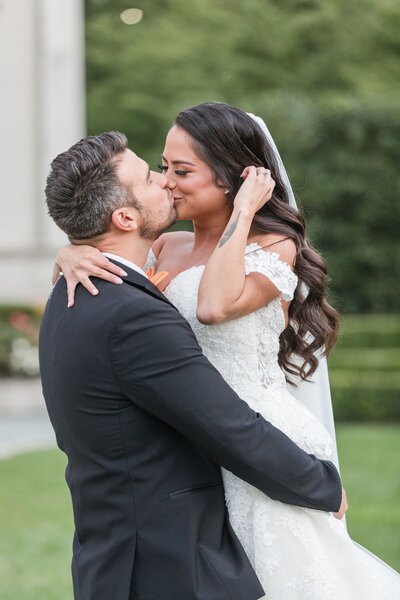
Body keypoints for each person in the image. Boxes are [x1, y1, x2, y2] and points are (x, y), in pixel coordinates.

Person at [57, 103, 400, 599]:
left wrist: (242, 214)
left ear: (229, 179)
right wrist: (70, 253)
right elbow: (111, 267)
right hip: (202, 432)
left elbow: (214, 307)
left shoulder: (273, 246)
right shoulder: (164, 247)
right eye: (163, 166)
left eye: (182, 170)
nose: (167, 180)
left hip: (259, 436)